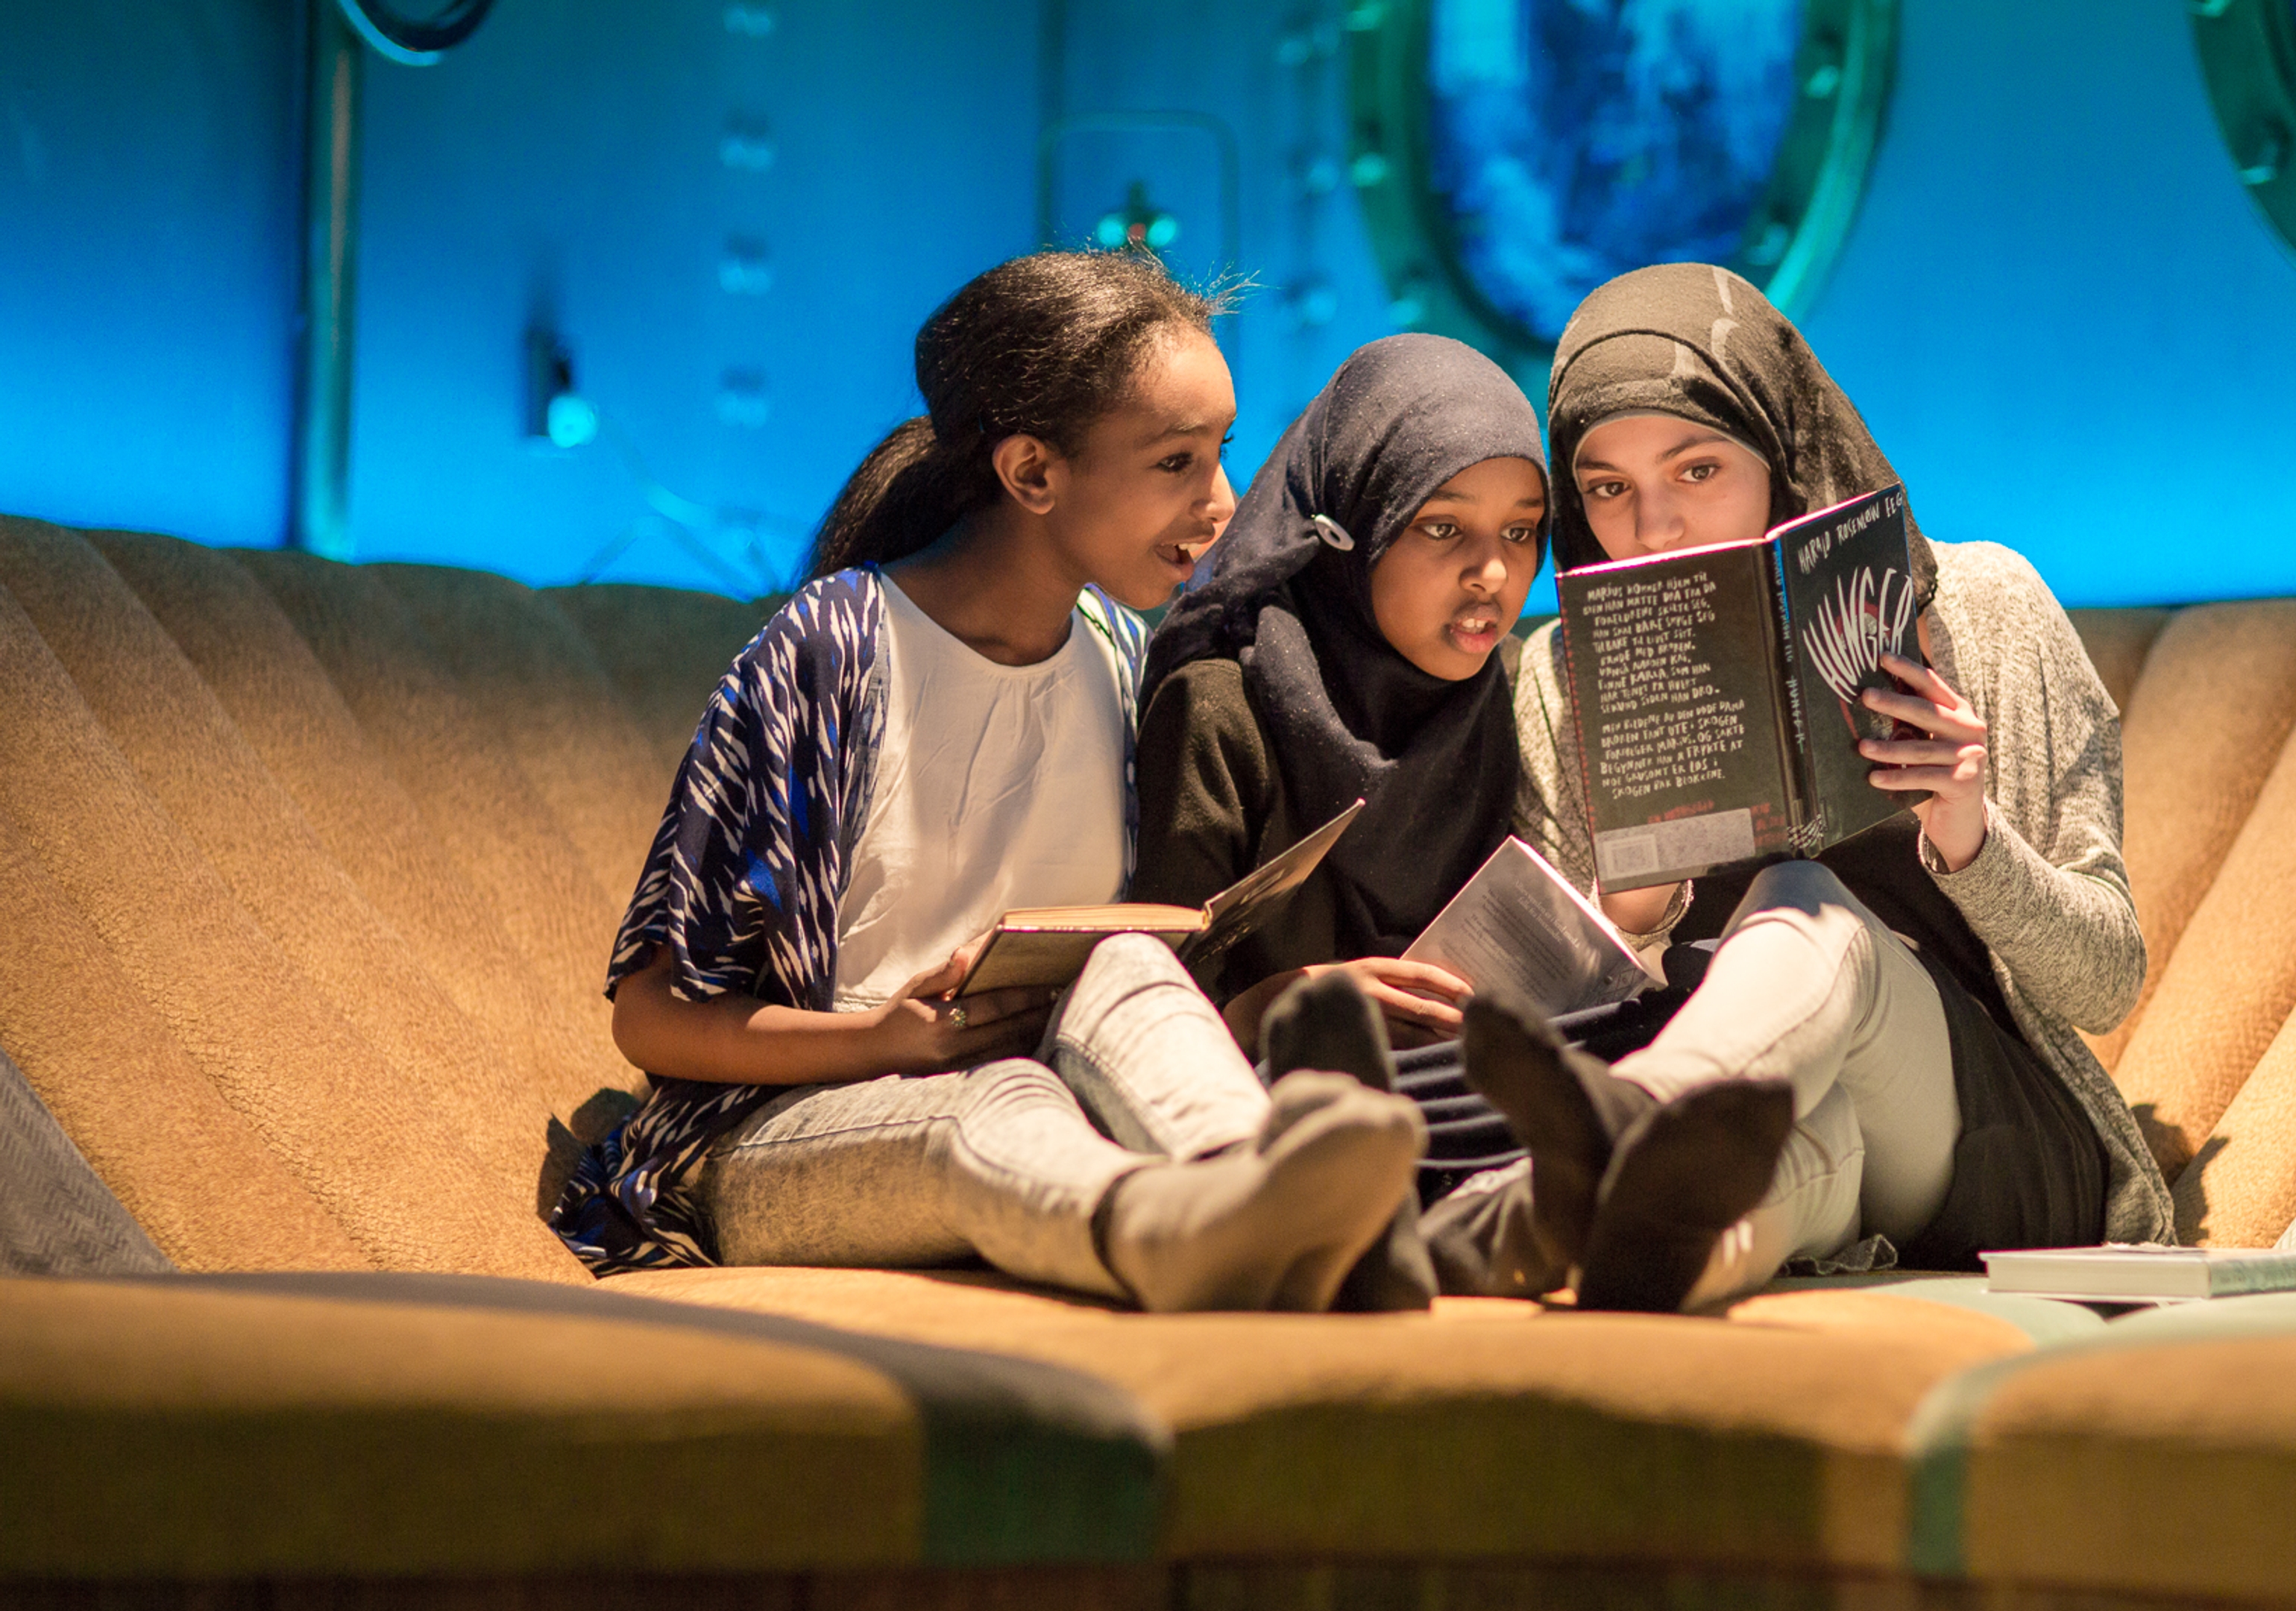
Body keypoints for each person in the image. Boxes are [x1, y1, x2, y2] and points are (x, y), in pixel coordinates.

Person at [547, 251, 1424, 1313]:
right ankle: (1188, 1231)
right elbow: (652, 1015)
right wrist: (883, 1040)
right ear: (1033, 473)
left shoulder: (1118, 649)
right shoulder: (831, 652)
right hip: (784, 1139)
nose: (1220, 503)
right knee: (988, 1101)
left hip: (1052, 1100)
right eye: (1176, 463)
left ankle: (1287, 1205)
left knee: (1132, 971)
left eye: (1221, 455)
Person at [1449, 262, 2173, 1311]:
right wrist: (1631, 915)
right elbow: (1559, 1012)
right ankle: (1547, 1232)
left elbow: (2105, 984)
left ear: (1782, 452)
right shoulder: (1565, 678)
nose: (1654, 530)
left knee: (1803, 908)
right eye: (1608, 488)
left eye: (1697, 471)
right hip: (1776, 1125)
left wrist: (1971, 833)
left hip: (1998, 1147)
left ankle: (1628, 1123)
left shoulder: (1987, 611)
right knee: (1725, 1188)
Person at [1130, 333, 1545, 1055]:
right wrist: (1285, 1007)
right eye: (1441, 526)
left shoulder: (1514, 685)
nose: (1494, 573)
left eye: (1521, 531)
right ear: (1349, 528)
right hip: (1264, 1124)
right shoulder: (1223, 707)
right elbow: (1149, 1012)